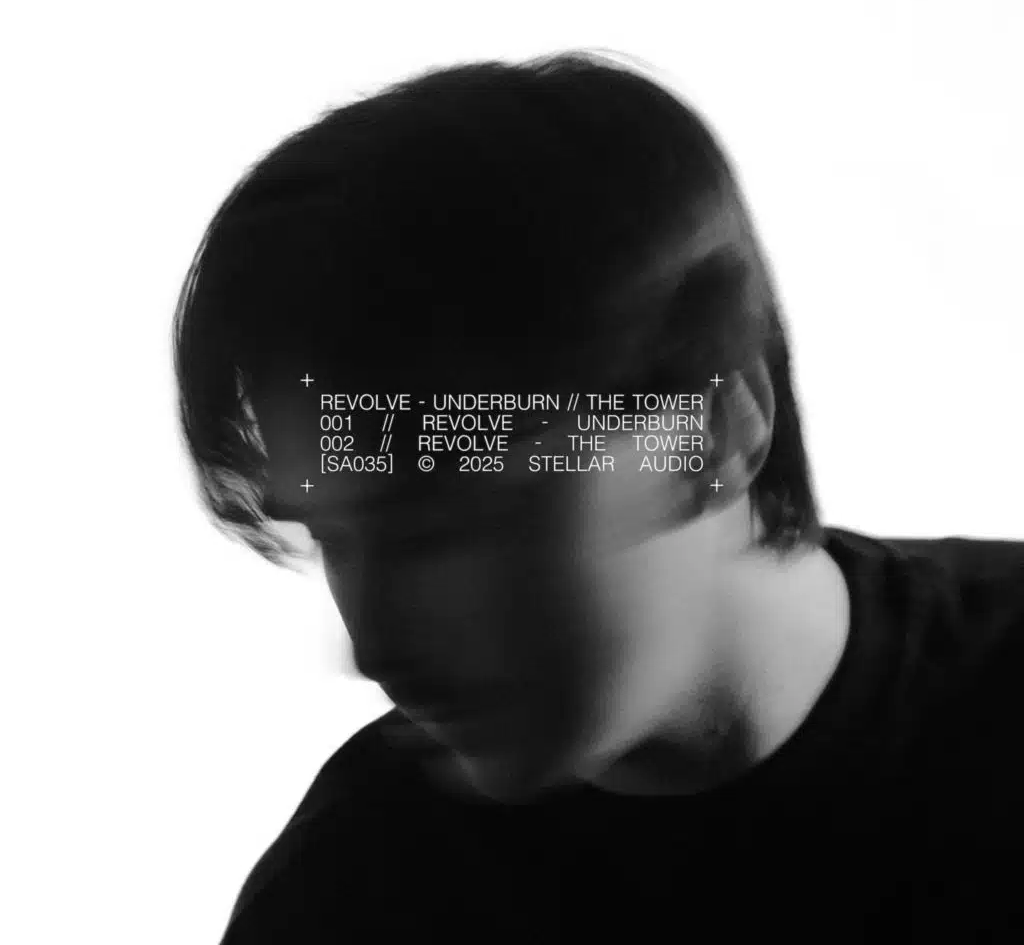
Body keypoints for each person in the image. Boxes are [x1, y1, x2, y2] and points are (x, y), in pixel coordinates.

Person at [172, 50, 1024, 941]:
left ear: (715, 428)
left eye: (441, 525)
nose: (373, 646)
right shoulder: (347, 901)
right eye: (334, 536)